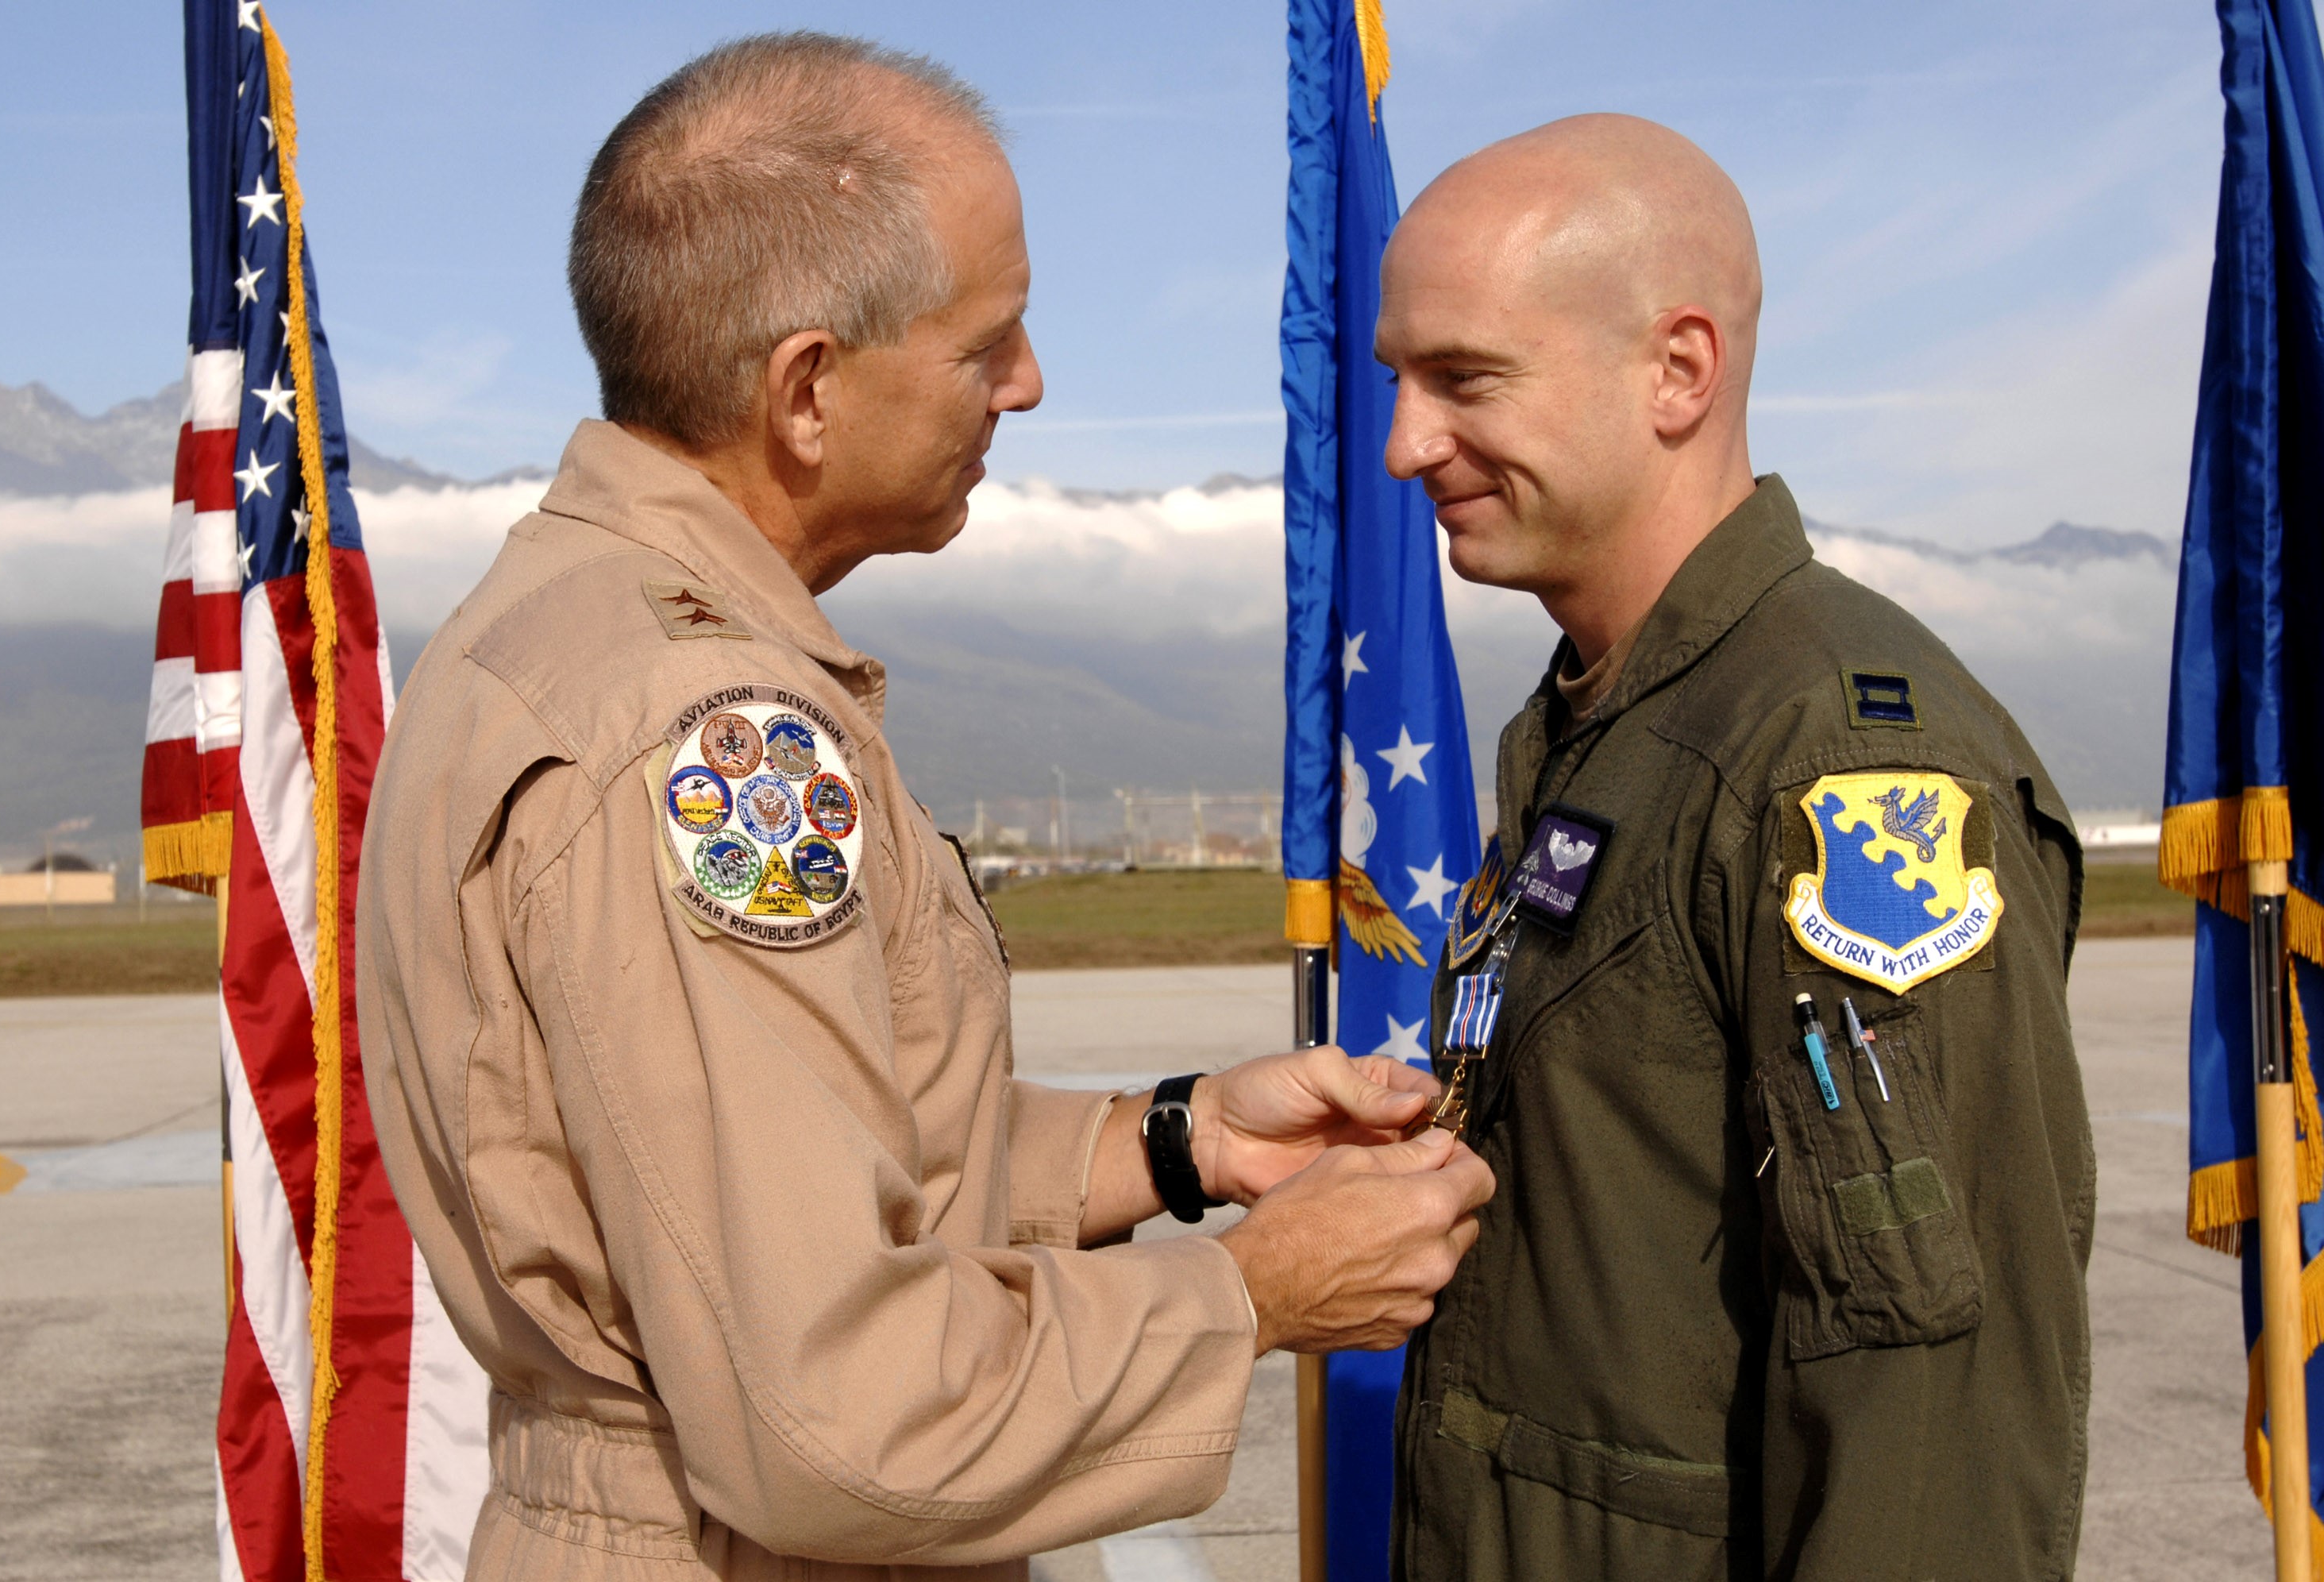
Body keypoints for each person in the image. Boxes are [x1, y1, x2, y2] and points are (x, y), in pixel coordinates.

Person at [354, 32, 1496, 1582]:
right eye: (986, 344)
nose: (1027, 385)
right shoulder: (703, 731)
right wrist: (1253, 1295)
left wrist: (1182, 1142)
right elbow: (838, 1419)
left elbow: (783, 1164)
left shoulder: (562, 625)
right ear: (808, 390)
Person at [1374, 115, 2093, 1579]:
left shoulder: (1840, 763)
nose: (1405, 444)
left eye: (1464, 380)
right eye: (1399, 381)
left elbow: (1926, 1407)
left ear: (1678, 371)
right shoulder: (1611, 723)